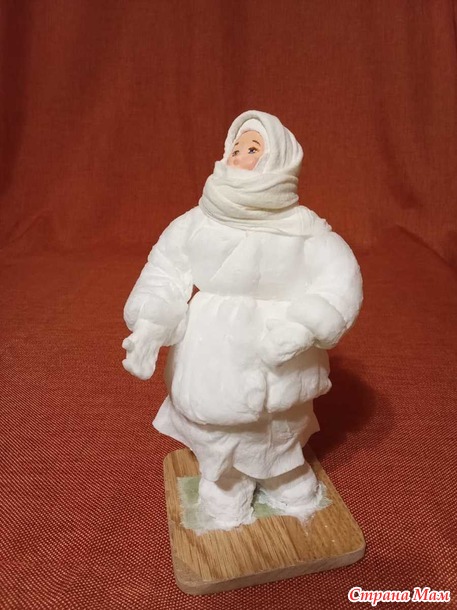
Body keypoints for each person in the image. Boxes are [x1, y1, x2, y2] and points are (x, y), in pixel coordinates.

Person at [122, 110, 363, 530]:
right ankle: (226, 479)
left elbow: (338, 279)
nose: (238, 155)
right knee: (218, 415)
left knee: (282, 418)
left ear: (278, 160)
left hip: (279, 342)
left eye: (253, 148)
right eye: (235, 147)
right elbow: (165, 271)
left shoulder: (305, 229)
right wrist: (151, 322)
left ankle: (283, 470)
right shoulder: (197, 221)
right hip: (214, 342)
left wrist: (305, 326)